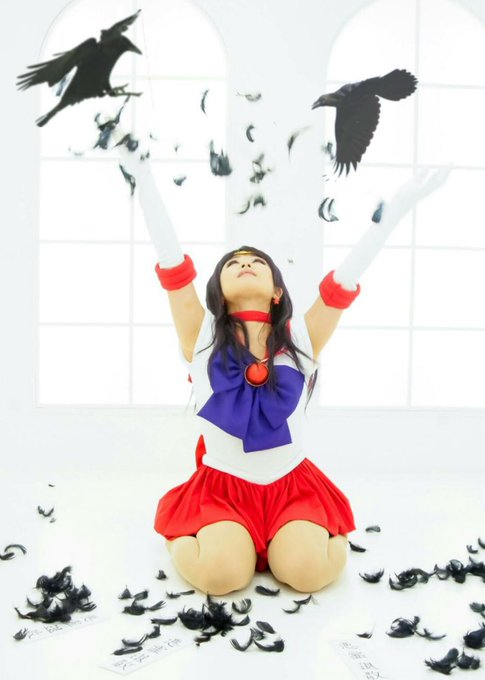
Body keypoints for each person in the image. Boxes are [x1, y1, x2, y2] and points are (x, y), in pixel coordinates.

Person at [114, 132, 451, 596]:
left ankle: (293, 541)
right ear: (217, 291)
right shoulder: (202, 335)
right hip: (223, 489)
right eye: (232, 263)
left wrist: (394, 212)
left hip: (291, 486)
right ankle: (192, 535)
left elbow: (344, 281)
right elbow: (172, 264)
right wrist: (144, 176)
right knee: (221, 577)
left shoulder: (300, 339)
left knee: (309, 573)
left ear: (276, 290)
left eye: (257, 261)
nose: (245, 263)